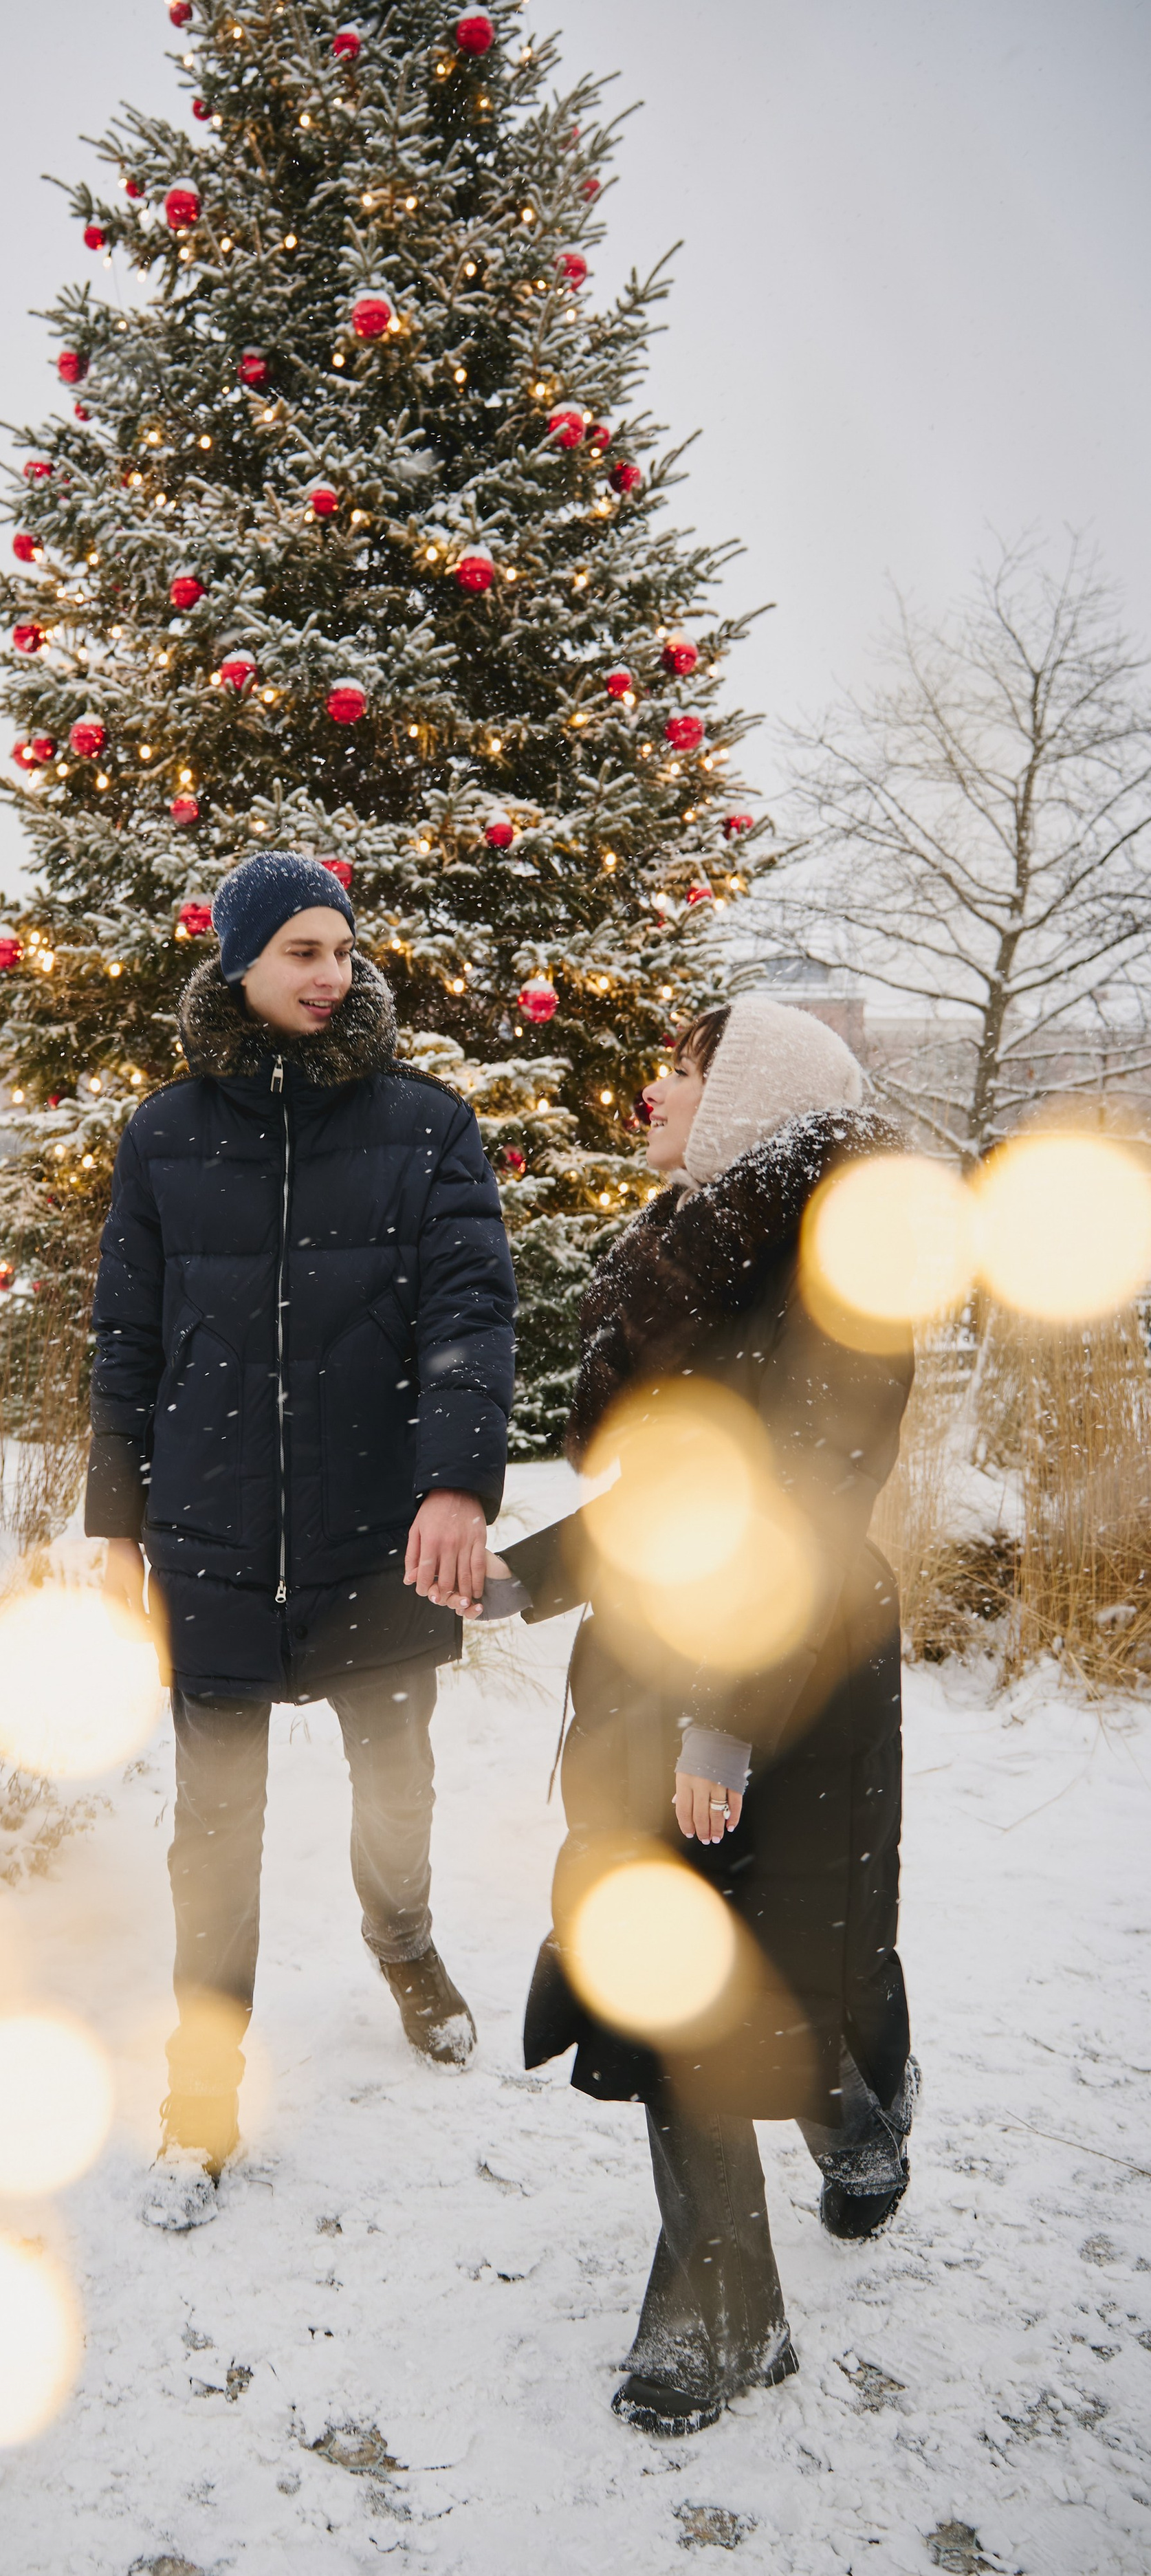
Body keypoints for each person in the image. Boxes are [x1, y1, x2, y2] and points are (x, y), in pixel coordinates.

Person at [495, 996, 917, 2437]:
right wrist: (513, 1583)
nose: (650, 1098)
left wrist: (720, 1730)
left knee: (788, 1960)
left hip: (784, 1684)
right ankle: (735, 2292)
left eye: (680, 1074)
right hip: (654, 1670)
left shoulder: (836, 1279)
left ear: (747, 1099)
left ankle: (849, 2102)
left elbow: (800, 1514)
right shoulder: (689, 1258)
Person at [87, 850, 516, 2229]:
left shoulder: (425, 1125)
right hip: (211, 1534)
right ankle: (199, 2094)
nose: (330, 975)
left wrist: (451, 1485)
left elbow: (469, 1314)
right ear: (237, 964)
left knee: (393, 1796)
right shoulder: (162, 1136)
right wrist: (114, 1526)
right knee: (211, 1837)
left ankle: (403, 1946)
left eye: (341, 950)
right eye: (299, 953)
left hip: (369, 1538)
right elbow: (124, 1342)